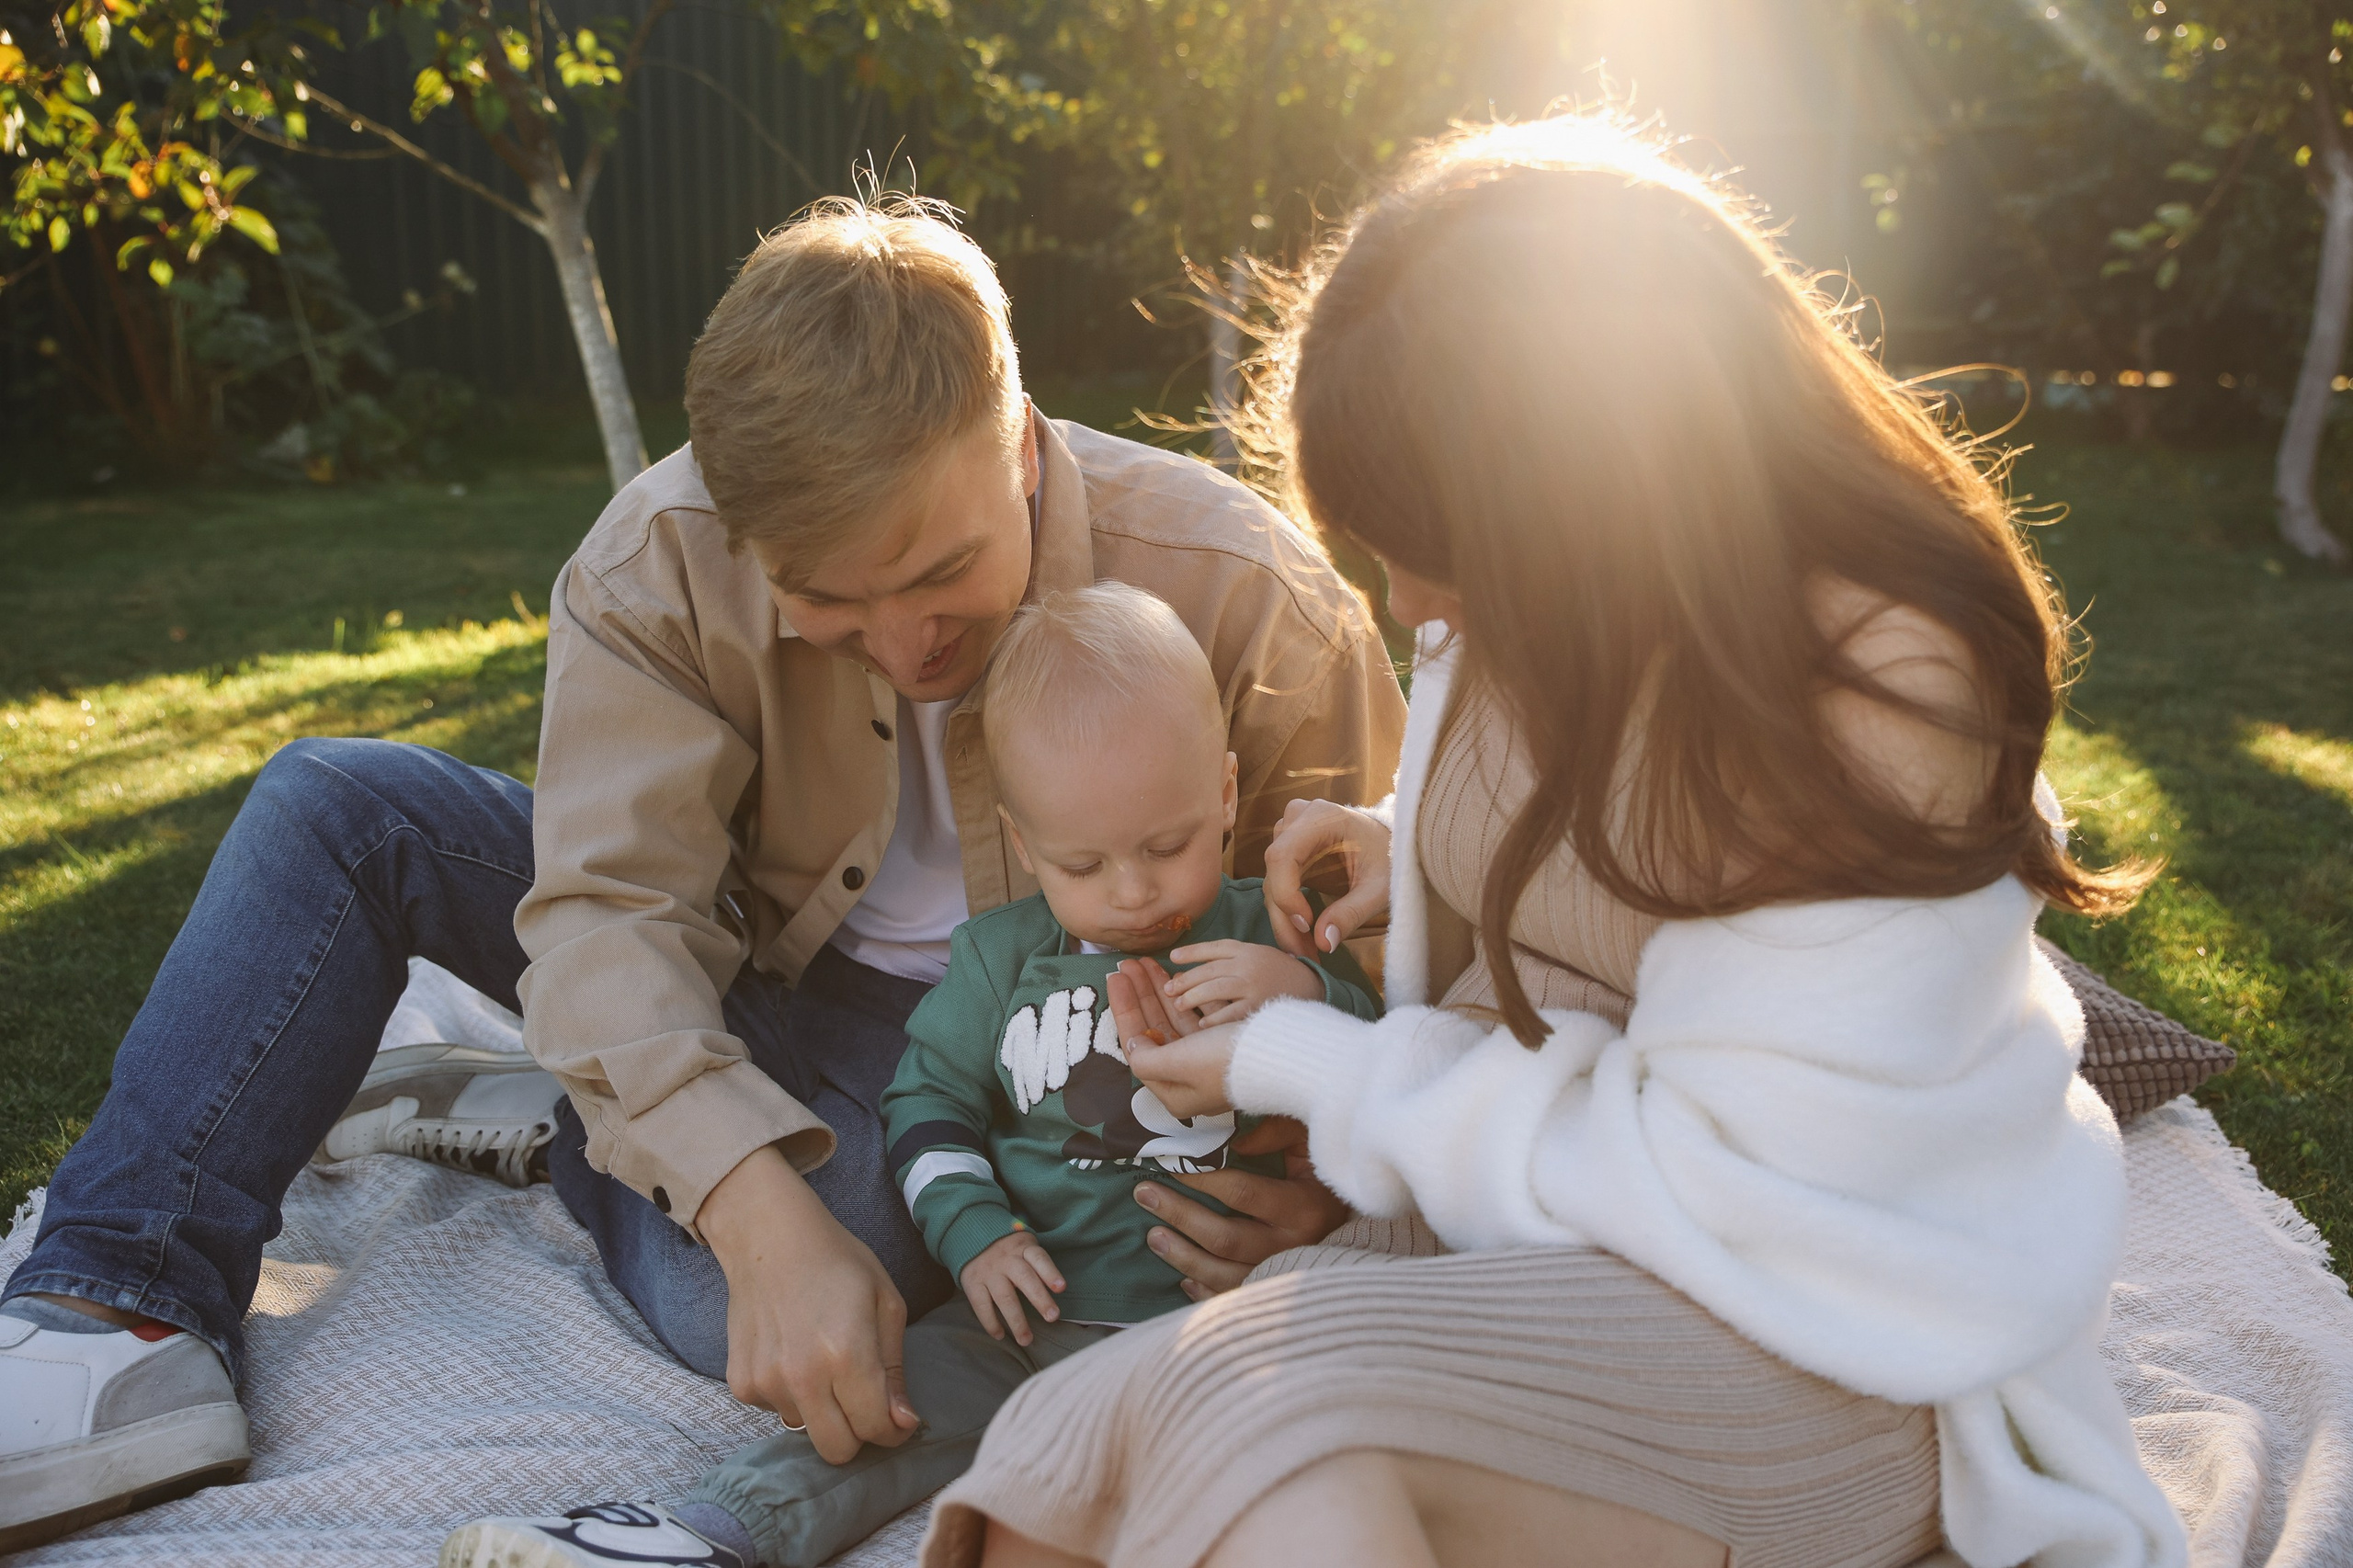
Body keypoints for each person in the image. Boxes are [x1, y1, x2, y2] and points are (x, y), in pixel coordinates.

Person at [0, 198, 1406, 1558]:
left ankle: (574, 1099)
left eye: (944, 571)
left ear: (1022, 445)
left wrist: (1326, 1192)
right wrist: (747, 1202)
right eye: (828, 602)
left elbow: (1391, 955)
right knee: (337, 808)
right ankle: (111, 1297)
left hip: (1003, 1039)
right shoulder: (656, 558)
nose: (907, 639)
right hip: (754, 962)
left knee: (846, 1252)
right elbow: (611, 909)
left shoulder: (1252, 600)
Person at [917, 115, 2190, 1568]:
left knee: (1252, 1421)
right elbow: (1619, 842)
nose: (1405, 606)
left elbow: (1719, 1180)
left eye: (1423, 547)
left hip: (1824, 1336)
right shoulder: (1560, 603)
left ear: (1571, 498)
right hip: (1550, 1254)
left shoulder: (1878, 705)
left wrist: (1309, 1066)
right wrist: (1419, 854)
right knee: (1057, 1460)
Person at [451, 583, 1382, 1568]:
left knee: (1299, 1459)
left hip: (1231, 1320)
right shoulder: (996, 961)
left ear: (1228, 795)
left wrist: (1304, 997)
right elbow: (927, 1106)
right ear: (1023, 844)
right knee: (884, 1408)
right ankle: (705, 1535)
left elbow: (1379, 1071)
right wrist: (976, 1237)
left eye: (1169, 843)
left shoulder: (1268, 930)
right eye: (1082, 861)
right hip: (1035, 1323)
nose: (1134, 889)